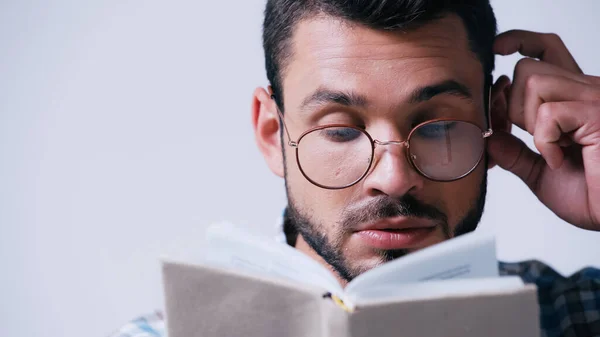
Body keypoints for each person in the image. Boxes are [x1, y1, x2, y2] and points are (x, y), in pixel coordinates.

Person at [111, 1, 600, 336]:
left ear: (494, 120)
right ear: (270, 133)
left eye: (437, 125)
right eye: (341, 130)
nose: (392, 177)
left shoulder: (577, 316)